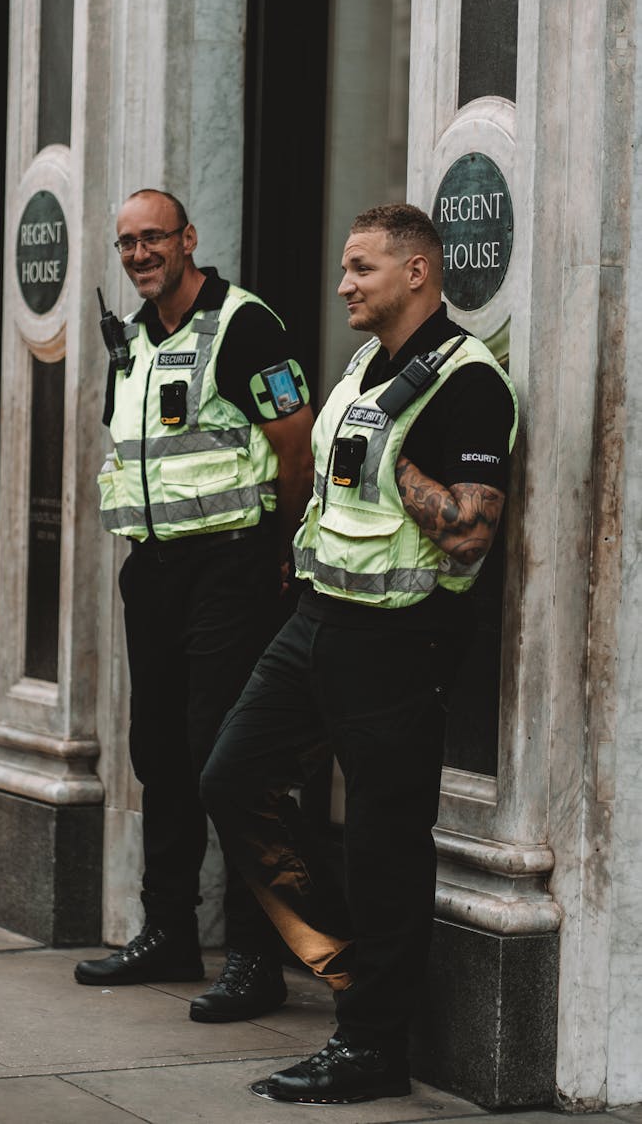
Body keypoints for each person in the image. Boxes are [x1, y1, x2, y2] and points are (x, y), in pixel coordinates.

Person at [200, 203, 518, 1104]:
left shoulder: (467, 379)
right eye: (346, 268)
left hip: (397, 641)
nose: (344, 284)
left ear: (417, 272)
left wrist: (400, 467)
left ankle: (371, 1045)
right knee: (230, 774)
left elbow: (470, 534)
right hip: (315, 624)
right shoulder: (362, 369)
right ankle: (348, 957)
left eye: (362, 268)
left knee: (384, 843)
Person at [74, 189, 314, 1025]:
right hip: (156, 571)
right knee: (161, 754)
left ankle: (257, 955)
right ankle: (169, 930)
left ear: (188, 240)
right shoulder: (135, 341)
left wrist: (281, 547)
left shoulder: (244, 324)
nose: (139, 255)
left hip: (233, 568)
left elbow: (296, 442)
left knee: (226, 756)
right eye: (127, 244)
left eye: (153, 239)